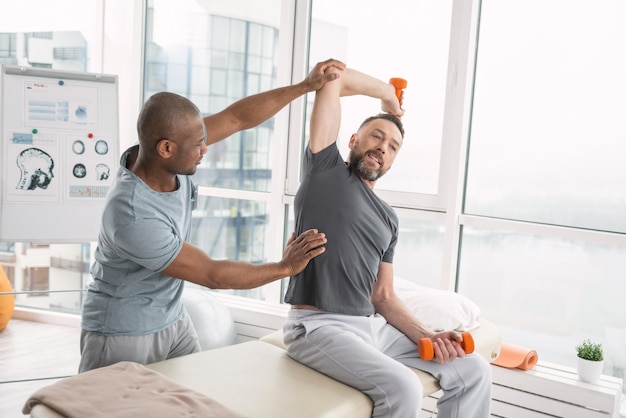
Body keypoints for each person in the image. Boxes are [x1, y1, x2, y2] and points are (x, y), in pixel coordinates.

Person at [79, 58, 346, 373]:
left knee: (195, 396)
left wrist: (305, 86)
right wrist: (286, 266)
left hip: (172, 319)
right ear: (165, 148)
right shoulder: (132, 214)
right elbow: (212, 274)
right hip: (122, 332)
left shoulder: (163, 157)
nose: (205, 149)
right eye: (197, 145)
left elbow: (235, 118)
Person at [283, 66, 492, 417]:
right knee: (404, 387)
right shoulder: (325, 172)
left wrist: (428, 335)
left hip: (371, 328)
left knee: (474, 370)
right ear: (353, 141)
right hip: (317, 328)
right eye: (376, 137)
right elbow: (332, 80)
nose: (383, 148)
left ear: (393, 160)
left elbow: (383, 295)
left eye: (392, 146)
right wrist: (386, 95)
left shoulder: (388, 219)